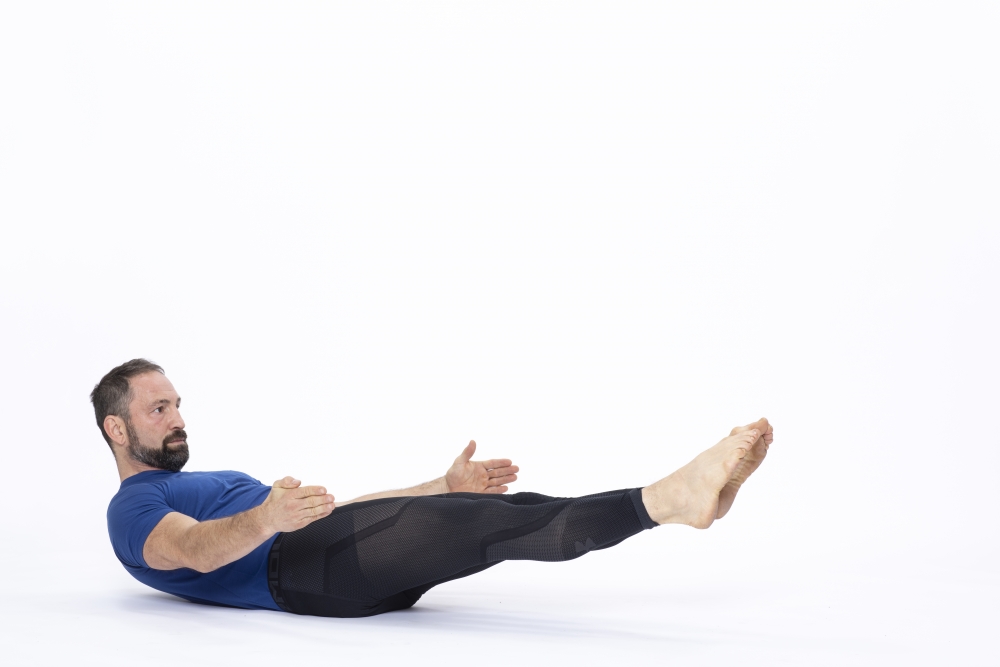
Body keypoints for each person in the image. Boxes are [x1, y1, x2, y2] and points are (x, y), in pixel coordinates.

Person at [95, 358, 774, 618]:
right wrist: (268, 518)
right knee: (491, 526)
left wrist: (436, 485)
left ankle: (673, 502)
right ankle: (668, 500)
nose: (177, 418)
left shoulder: (213, 482)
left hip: (326, 557)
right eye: (158, 409)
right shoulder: (132, 508)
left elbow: (340, 513)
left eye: (177, 403)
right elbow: (195, 552)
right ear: (117, 430)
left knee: (482, 516)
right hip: (302, 572)